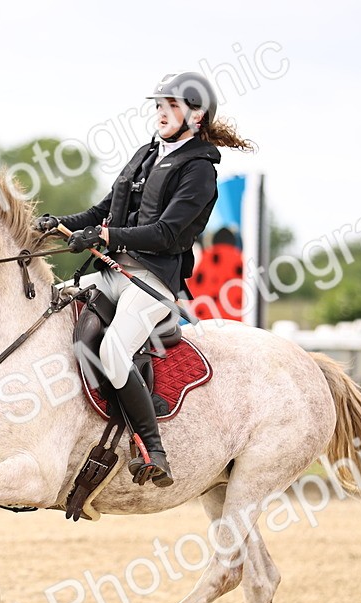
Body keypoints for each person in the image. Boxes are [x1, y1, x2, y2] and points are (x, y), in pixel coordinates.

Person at [34, 71, 254, 488]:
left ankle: (153, 449)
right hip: (111, 272)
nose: (161, 113)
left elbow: (168, 233)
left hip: (151, 282)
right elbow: (102, 211)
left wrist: (105, 237)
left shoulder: (200, 171)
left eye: (171, 106)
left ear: (197, 116)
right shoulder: (146, 153)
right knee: (56, 319)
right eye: (158, 106)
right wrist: (60, 223)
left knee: (114, 352)